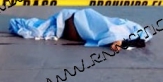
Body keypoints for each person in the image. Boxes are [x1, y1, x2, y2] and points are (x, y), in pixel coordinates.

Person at [9, 8, 147, 52]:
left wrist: (121, 43)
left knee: (39, 28)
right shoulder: (124, 30)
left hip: (76, 22)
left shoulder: (127, 34)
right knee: (38, 29)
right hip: (78, 19)